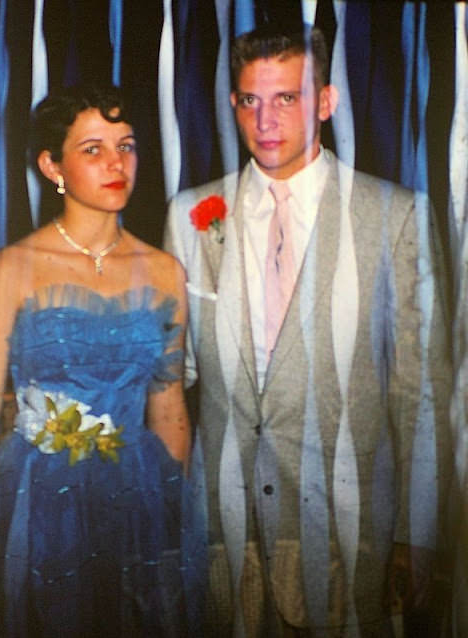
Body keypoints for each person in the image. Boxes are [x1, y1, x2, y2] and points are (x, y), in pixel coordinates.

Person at [164, 24, 452, 636]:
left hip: (348, 540)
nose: (265, 121)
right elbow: (168, 376)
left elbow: (421, 392)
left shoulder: (395, 215)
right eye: (250, 100)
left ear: (324, 101)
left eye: (286, 98)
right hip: (225, 540)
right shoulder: (190, 216)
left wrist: (417, 535)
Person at [0, 84, 205, 637]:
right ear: (52, 165)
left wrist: (165, 527)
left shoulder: (164, 270)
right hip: (36, 501)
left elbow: (168, 410)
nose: (117, 164)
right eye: (93, 150)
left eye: (127, 146)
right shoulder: (13, 268)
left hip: (136, 503)